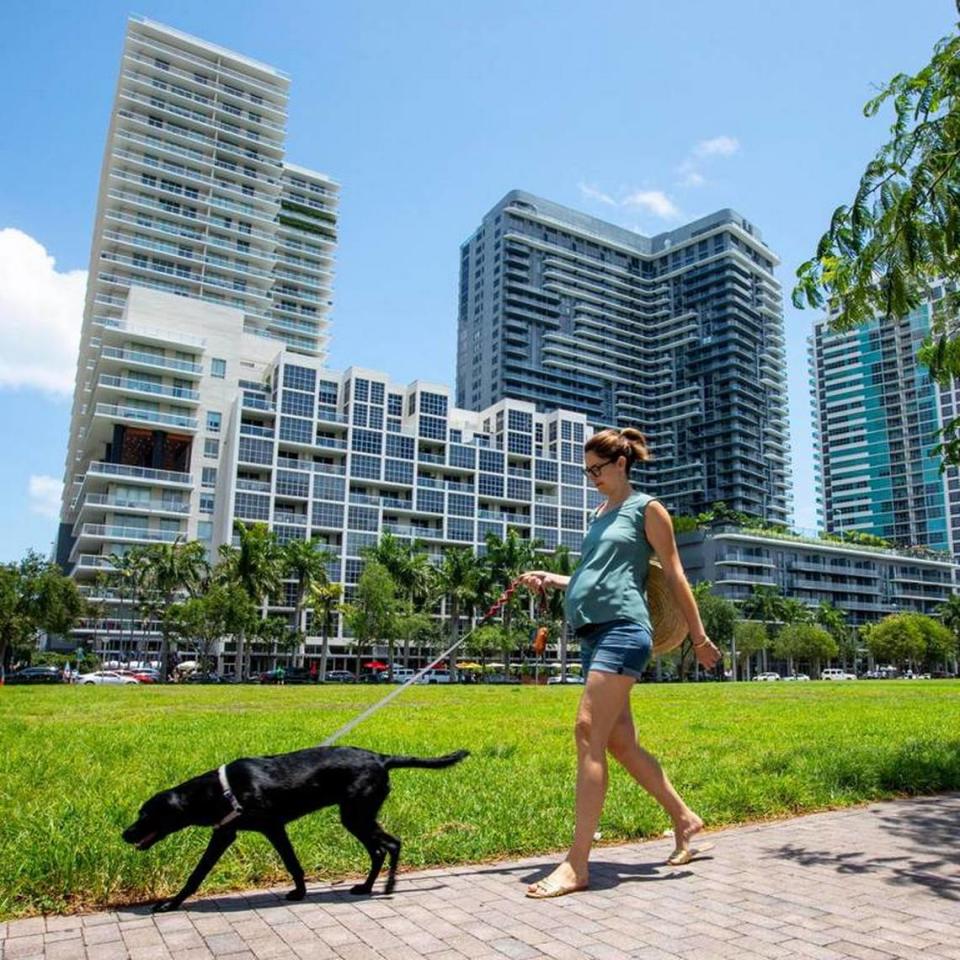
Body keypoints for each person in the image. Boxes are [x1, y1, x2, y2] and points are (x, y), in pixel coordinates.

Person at [518, 427, 722, 899]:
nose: (592, 478)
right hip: (592, 633)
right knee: (622, 744)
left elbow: (673, 574)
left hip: (624, 631)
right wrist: (554, 577)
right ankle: (685, 819)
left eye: (597, 469)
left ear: (622, 464)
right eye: (586, 470)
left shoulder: (646, 509)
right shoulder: (600, 513)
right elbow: (596, 575)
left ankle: (577, 864)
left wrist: (700, 636)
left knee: (588, 730)